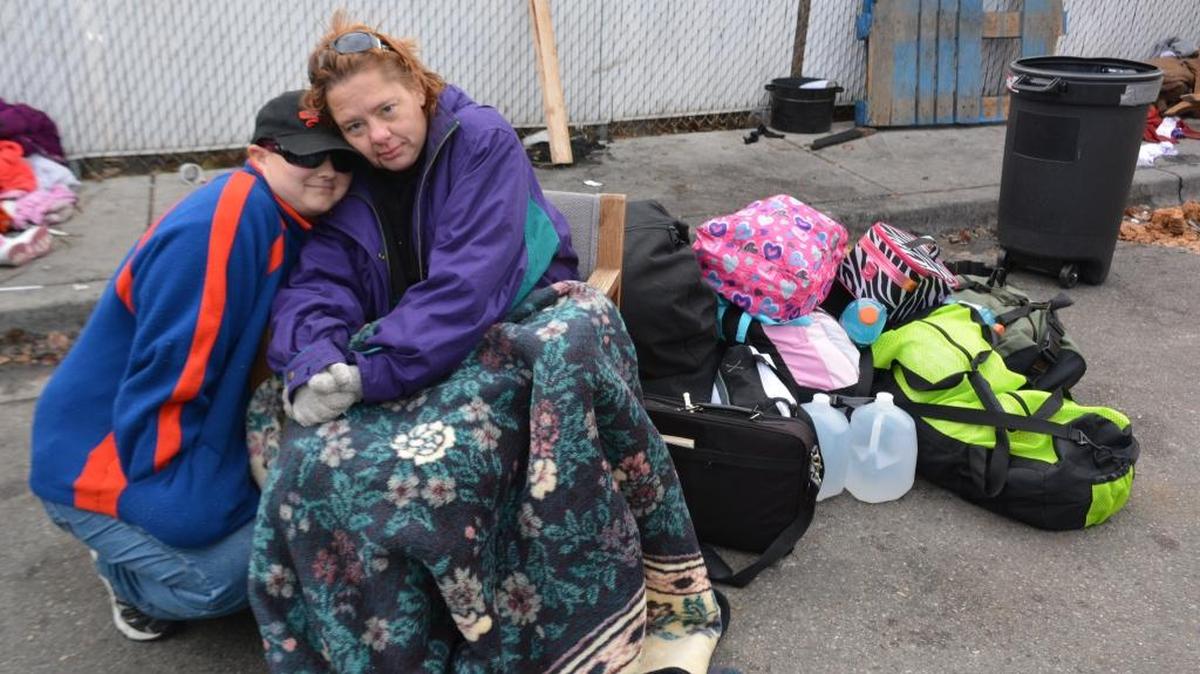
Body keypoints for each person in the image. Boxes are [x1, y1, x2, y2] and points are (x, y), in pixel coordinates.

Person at [248, 15, 726, 673]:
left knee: (423, 474)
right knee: (309, 459)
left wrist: (370, 372)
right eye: (355, 126)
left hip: (511, 319)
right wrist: (315, 360)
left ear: (416, 86)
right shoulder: (355, 174)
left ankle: (509, 625)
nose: (377, 137)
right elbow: (321, 279)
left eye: (386, 110)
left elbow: (469, 285)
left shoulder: (482, 139)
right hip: (412, 343)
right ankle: (373, 644)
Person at [29, 90, 357, 641]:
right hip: (97, 454)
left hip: (182, 430)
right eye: (303, 154)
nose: (325, 170)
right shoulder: (227, 221)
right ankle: (126, 576)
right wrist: (204, 506)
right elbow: (166, 383)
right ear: (257, 155)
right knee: (240, 572)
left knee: (282, 528)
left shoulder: (288, 217)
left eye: (339, 157)